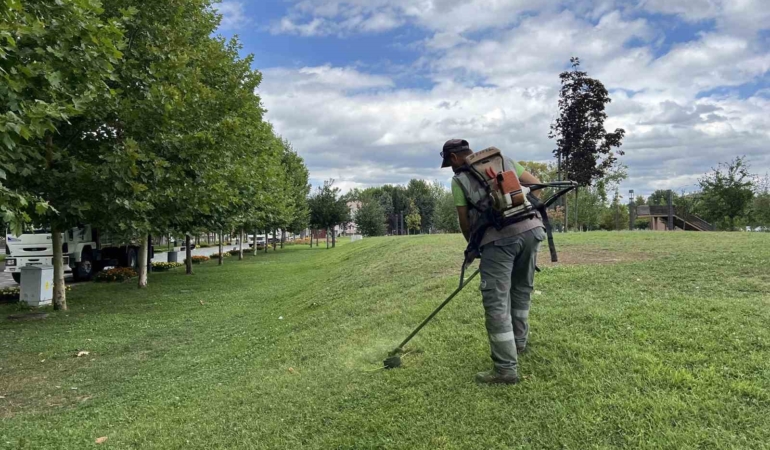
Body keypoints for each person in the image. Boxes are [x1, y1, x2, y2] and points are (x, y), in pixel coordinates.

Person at [440, 138, 546, 385]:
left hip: (498, 240)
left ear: (454, 158)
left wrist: (474, 246)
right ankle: (518, 344)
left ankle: (505, 369)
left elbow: (464, 220)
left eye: (449, 163)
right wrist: (524, 209)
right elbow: (536, 185)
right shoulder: (504, 160)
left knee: (496, 302)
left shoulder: (459, 179)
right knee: (521, 289)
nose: (451, 167)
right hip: (532, 231)